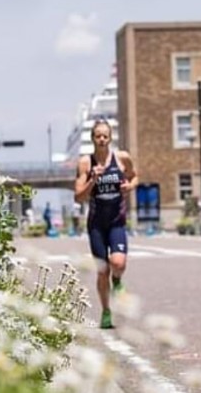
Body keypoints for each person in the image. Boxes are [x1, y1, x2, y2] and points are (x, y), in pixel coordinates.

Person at [74, 118, 138, 329]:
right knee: (102, 272)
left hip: (116, 221)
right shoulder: (86, 162)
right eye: (98, 136)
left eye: (105, 136)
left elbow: (134, 176)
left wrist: (129, 186)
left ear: (110, 138)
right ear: (92, 139)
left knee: (118, 263)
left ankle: (118, 281)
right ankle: (106, 311)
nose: (102, 139)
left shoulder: (121, 158)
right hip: (96, 225)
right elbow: (78, 197)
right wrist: (92, 179)